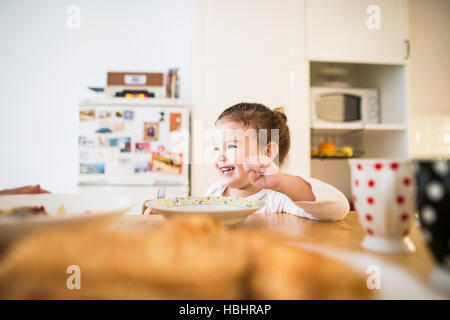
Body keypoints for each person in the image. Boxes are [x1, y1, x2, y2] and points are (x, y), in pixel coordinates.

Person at [205, 102, 349, 221]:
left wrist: (281, 182)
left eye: (231, 146)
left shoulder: (279, 198)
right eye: (216, 148)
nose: (220, 156)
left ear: (268, 152)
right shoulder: (214, 193)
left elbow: (339, 208)